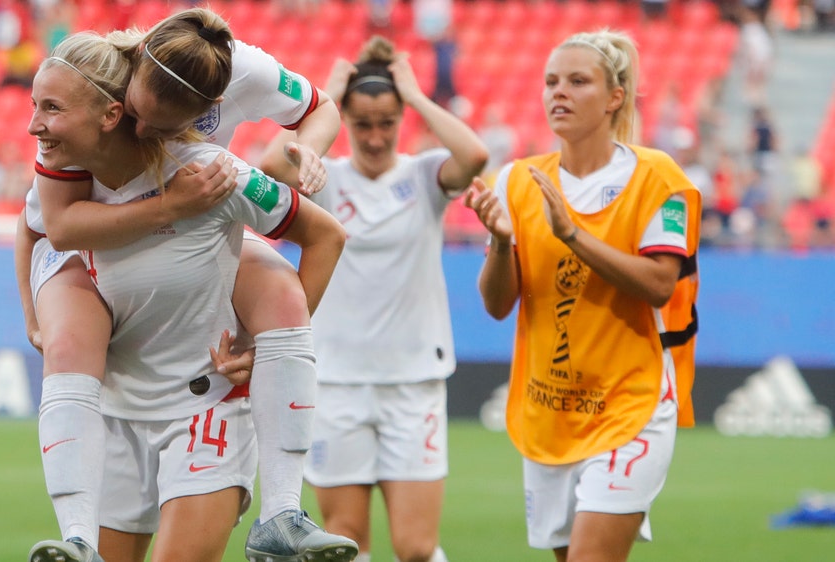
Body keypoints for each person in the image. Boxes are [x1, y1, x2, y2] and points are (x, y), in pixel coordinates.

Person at [16, 8, 357, 562]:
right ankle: (77, 537)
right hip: (119, 402)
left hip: (204, 399)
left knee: (280, 294)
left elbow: (319, 136)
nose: (144, 130)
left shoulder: (219, 159)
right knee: (69, 337)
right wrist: (168, 206)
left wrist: (306, 153)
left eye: (164, 121)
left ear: (210, 111)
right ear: (116, 105)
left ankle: (284, 511)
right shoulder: (78, 103)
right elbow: (48, 226)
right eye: (136, 116)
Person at [463, 29, 701, 562]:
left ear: (615, 96)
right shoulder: (517, 180)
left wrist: (572, 234)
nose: (558, 93)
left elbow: (661, 285)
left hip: (631, 403)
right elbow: (498, 304)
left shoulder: (658, 178)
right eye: (550, 82)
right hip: (551, 408)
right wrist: (502, 244)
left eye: (577, 81)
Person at [292, 35, 488, 562]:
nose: (375, 137)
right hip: (335, 382)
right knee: (345, 539)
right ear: (346, 123)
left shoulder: (423, 176)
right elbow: (270, 165)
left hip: (412, 384)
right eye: (361, 124)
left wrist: (418, 96)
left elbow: (474, 154)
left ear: (401, 120)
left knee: (417, 548)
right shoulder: (324, 179)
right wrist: (326, 96)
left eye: (386, 122)